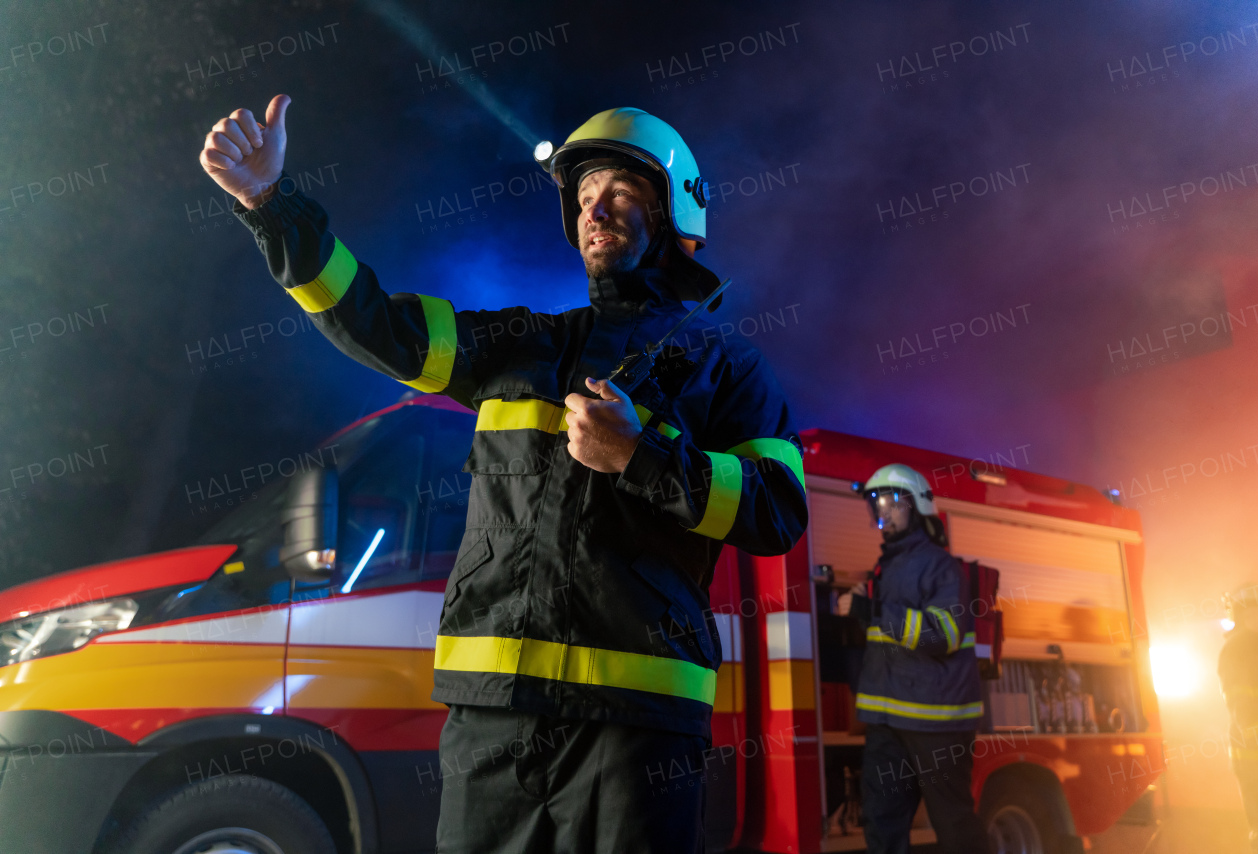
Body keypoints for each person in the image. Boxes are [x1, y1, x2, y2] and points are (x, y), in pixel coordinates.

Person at [199, 96, 808, 853]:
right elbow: (377, 323)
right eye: (585, 198)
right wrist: (270, 203)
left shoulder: (728, 367)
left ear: (675, 214)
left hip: (635, 730)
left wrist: (642, 457)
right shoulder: (520, 345)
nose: (596, 210)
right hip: (493, 720)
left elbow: (778, 512)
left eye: (619, 193)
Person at [847, 464, 988, 854]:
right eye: (876, 504)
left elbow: (944, 634)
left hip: (936, 722)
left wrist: (873, 612)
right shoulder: (885, 566)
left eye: (891, 501)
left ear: (917, 505)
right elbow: (886, 642)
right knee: (881, 824)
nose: (882, 512)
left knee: (954, 825)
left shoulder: (939, 565)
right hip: (887, 720)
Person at [1219, 582, 1258, 853]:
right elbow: (1240, 703)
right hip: (1256, 754)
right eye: (1253, 613)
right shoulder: (1235, 651)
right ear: (1240, 618)